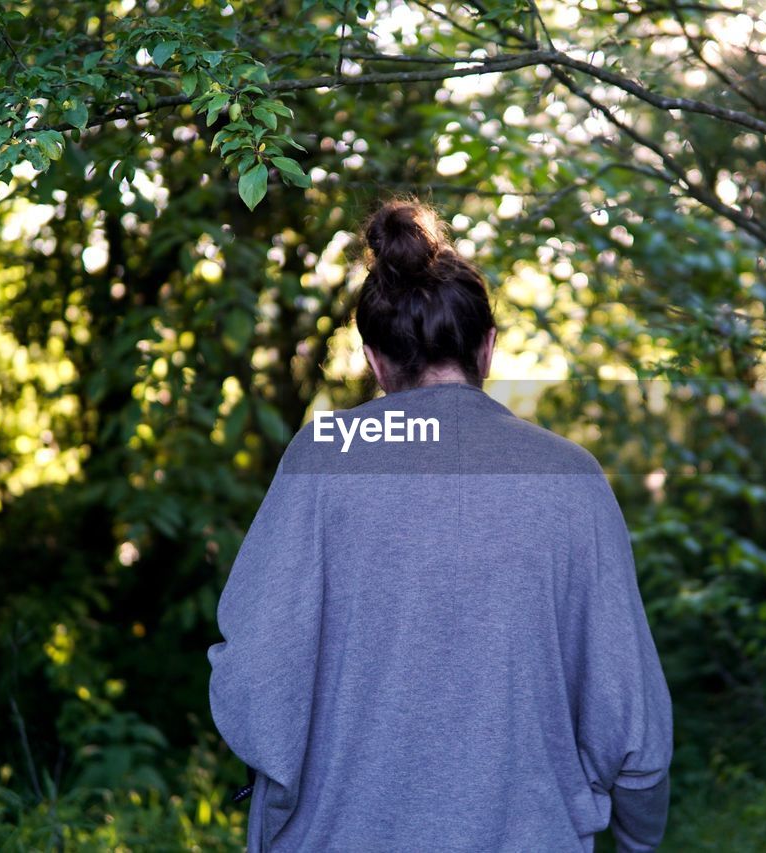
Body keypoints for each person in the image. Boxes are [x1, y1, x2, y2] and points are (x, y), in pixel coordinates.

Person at [207, 199, 674, 852]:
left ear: (374, 359)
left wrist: (276, 820)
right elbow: (633, 725)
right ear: (487, 347)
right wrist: (637, 841)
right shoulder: (569, 476)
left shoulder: (325, 456)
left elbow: (256, 681)